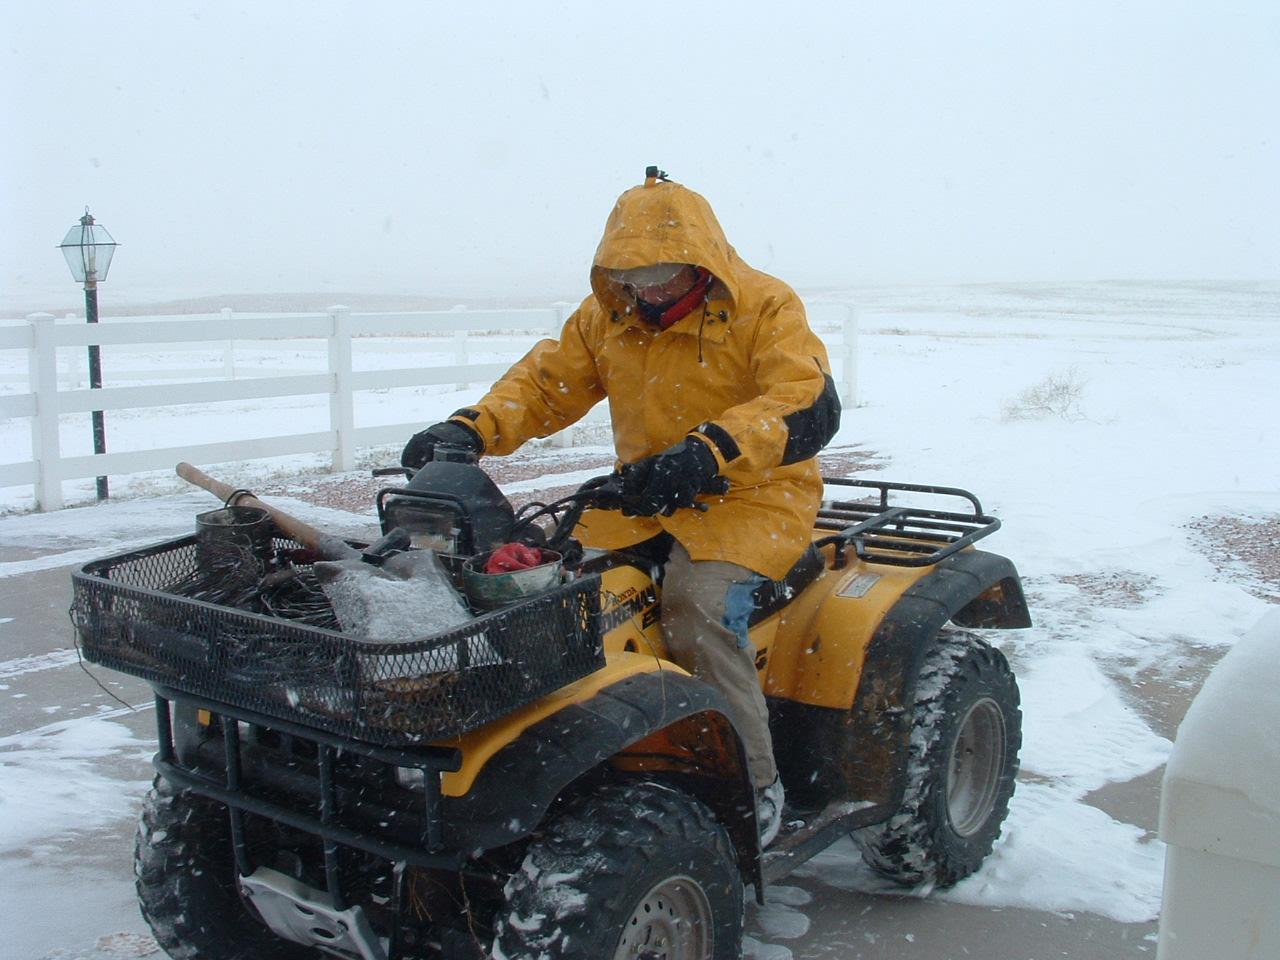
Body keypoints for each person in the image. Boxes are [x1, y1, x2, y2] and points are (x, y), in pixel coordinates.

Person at [401, 168, 841, 845]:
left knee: (696, 609)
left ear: (702, 259)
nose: (649, 291)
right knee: (556, 597)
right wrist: (471, 428)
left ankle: (754, 787)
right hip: (643, 497)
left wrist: (707, 453)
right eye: (633, 278)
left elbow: (805, 404)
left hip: (753, 497)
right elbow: (548, 384)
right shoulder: (609, 315)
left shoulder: (766, 307)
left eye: (663, 275)